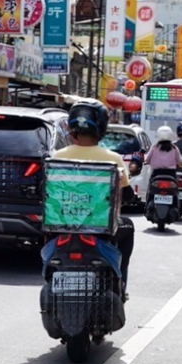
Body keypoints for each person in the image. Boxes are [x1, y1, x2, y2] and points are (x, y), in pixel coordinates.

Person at [53, 99, 135, 288]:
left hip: (62, 226)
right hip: (101, 228)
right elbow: (128, 195)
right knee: (128, 226)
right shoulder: (113, 158)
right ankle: (120, 282)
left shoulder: (58, 156)